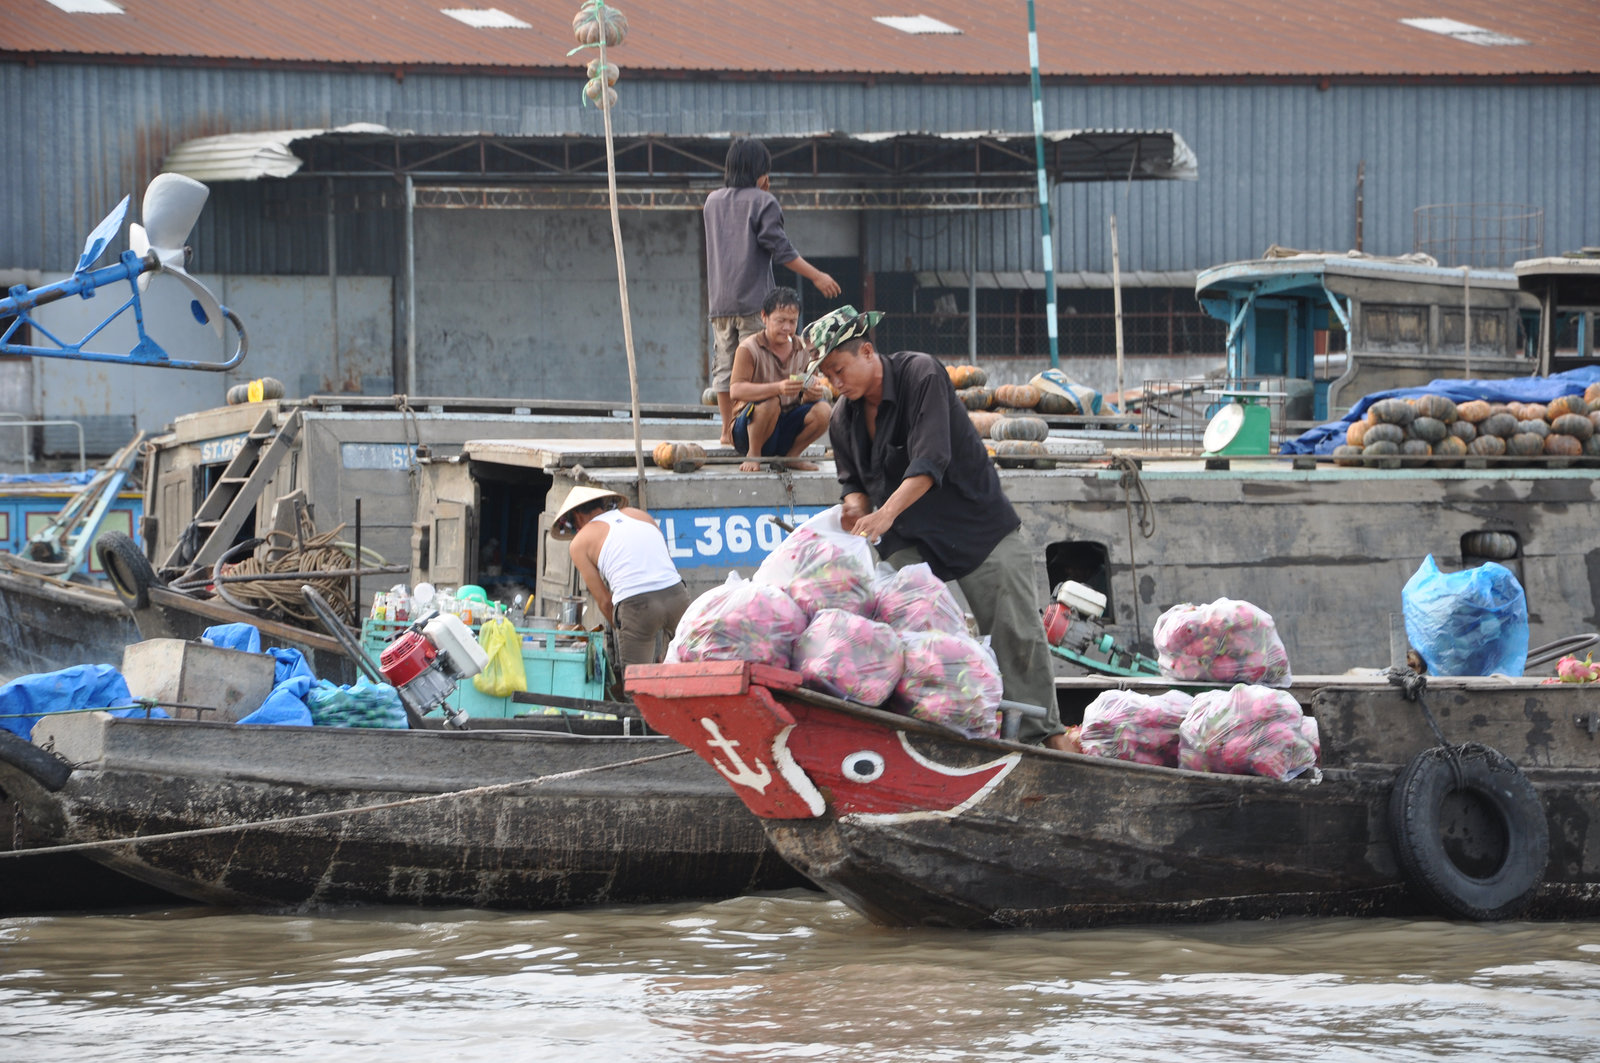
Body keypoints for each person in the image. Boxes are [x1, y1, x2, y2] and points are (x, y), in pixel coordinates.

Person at [803, 305, 1071, 751]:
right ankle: (946, 734)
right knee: (915, 638)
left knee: (1016, 633)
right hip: (911, 542)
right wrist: (853, 510)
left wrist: (883, 513)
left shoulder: (920, 375)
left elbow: (931, 461)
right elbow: (852, 486)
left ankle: (1047, 736)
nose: (835, 383)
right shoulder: (841, 419)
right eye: (828, 376)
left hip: (976, 525)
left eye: (839, 369)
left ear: (867, 351)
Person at [704, 137, 841, 446]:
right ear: (760, 172)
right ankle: (762, 436)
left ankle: (727, 431)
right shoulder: (764, 202)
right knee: (759, 369)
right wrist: (817, 276)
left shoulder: (712, 201)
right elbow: (781, 251)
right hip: (755, 301)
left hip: (720, 303)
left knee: (726, 368)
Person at [551, 486, 690, 676]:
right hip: (678, 596)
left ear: (576, 516)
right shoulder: (640, 515)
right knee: (687, 670)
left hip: (637, 607)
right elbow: (664, 565)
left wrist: (623, 630)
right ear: (603, 505)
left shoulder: (579, 543)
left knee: (638, 684)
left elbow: (604, 601)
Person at [728, 287, 832, 472]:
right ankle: (754, 455)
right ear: (764, 317)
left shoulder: (804, 350)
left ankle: (791, 457)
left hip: (786, 427)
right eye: (780, 321)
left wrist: (811, 393)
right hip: (748, 430)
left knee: (824, 409)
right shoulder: (748, 348)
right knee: (770, 403)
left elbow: (806, 394)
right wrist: (778, 388)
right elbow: (736, 390)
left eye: (792, 322)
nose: (787, 328)